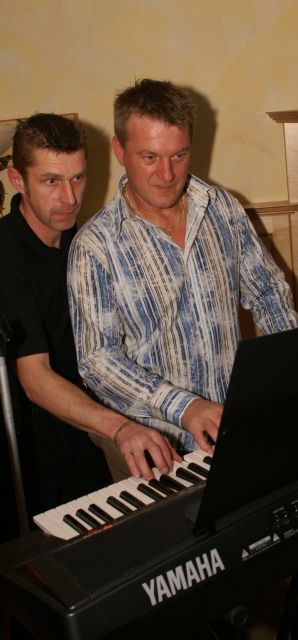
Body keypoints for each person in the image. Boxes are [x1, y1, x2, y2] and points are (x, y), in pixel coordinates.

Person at [67, 79, 298, 478]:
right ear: (120, 151)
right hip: (158, 450)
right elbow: (97, 360)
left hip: (236, 426)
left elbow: (267, 292)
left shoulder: (222, 207)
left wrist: (291, 367)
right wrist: (184, 407)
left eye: (179, 155)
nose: (167, 174)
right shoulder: (95, 246)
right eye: (150, 157)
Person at [0, 113, 179, 517]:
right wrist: (121, 428)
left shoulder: (81, 240)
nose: (69, 197)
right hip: (31, 452)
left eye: (77, 178)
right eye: (51, 181)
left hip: (87, 429)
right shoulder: (6, 254)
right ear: (17, 180)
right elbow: (34, 378)